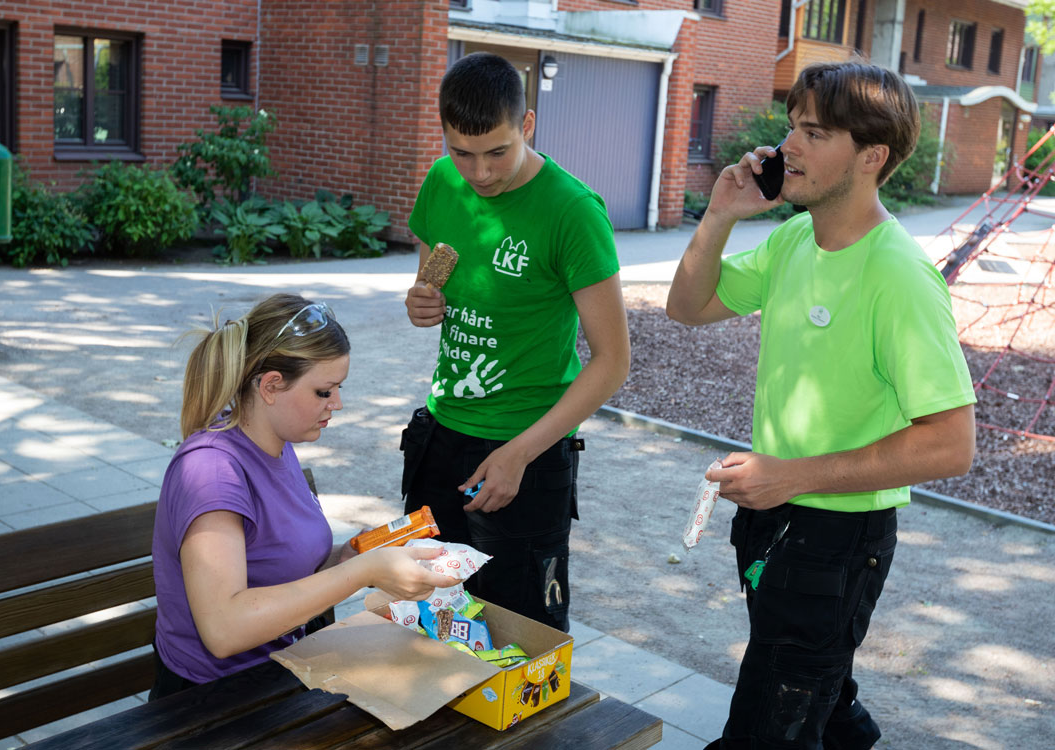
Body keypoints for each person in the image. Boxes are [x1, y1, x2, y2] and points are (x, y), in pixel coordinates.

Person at [666, 62, 977, 749]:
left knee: (768, 725)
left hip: (836, 544)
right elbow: (686, 306)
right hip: (772, 521)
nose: (787, 147)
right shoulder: (793, 239)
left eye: (813, 131)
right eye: (792, 126)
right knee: (817, 694)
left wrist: (794, 475)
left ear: (871, 157)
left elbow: (952, 445)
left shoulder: (900, 275)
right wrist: (718, 214)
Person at [401, 52, 631, 632]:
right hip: (441, 435)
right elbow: (429, 290)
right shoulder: (440, 181)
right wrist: (421, 303)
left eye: (497, 152)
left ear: (526, 126)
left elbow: (612, 361)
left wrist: (521, 453)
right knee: (434, 622)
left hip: (526, 450)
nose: (478, 173)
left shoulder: (573, 212)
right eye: (462, 152)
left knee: (521, 638)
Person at [151, 293, 459, 700]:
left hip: (283, 669)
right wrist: (363, 573)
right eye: (323, 391)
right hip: (212, 700)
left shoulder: (276, 444)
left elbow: (272, 564)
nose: (338, 404)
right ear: (271, 386)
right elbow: (223, 630)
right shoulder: (211, 471)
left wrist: (348, 556)